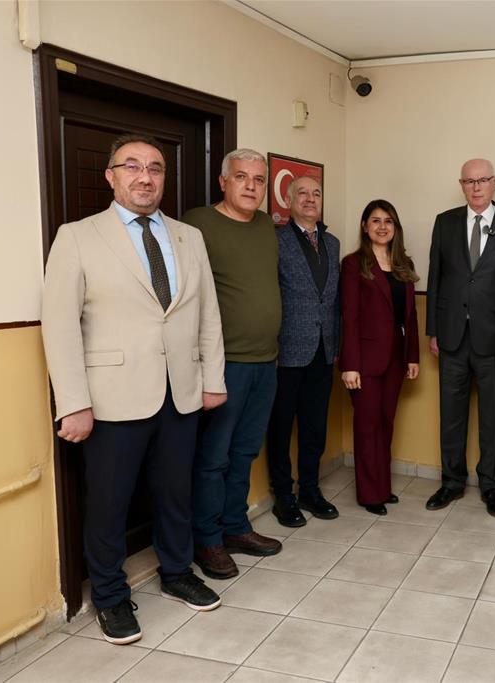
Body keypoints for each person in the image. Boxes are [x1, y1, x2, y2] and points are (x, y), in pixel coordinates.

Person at [42, 134, 225, 645]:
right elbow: (60, 325)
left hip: (180, 392)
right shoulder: (77, 237)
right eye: (133, 166)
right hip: (110, 397)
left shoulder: (189, 237)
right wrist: (73, 403)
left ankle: (177, 572)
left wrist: (213, 380)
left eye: (155, 168)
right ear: (111, 175)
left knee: (175, 493)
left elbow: (207, 313)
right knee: (109, 502)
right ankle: (109, 595)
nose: (145, 177)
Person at [182, 149, 283, 580]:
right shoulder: (198, 223)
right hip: (224, 364)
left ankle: (235, 526)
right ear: (223, 181)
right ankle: (207, 539)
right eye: (241, 177)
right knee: (214, 456)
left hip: (267, 360)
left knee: (245, 451)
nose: (251, 186)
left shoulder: (265, 226)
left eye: (259, 180)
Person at [425, 158, 495, 517]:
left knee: (493, 416)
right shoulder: (445, 222)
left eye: (482, 180)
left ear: (494, 183)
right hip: (452, 335)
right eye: (469, 181)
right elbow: (436, 278)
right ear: (461, 185)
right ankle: (451, 481)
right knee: (451, 415)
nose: (476, 187)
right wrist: (433, 329)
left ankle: (491, 486)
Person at [267, 175, 341, 526]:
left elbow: (333, 299)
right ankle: (283, 495)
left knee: (314, 427)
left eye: (316, 193)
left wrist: (337, 345)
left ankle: (310, 489)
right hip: (286, 350)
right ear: (288, 199)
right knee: (281, 428)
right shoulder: (275, 239)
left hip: (323, 351)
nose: (310, 199)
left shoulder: (332, 243)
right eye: (302, 193)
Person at [340, 200, 421, 515]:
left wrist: (412, 356)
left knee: (386, 423)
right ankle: (369, 494)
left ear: (395, 227)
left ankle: (382, 487)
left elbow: (410, 316)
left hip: (396, 359)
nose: (382, 227)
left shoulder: (403, 264)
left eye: (388, 221)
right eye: (375, 221)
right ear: (365, 227)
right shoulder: (353, 264)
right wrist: (350, 365)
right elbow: (349, 317)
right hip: (365, 361)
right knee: (367, 426)